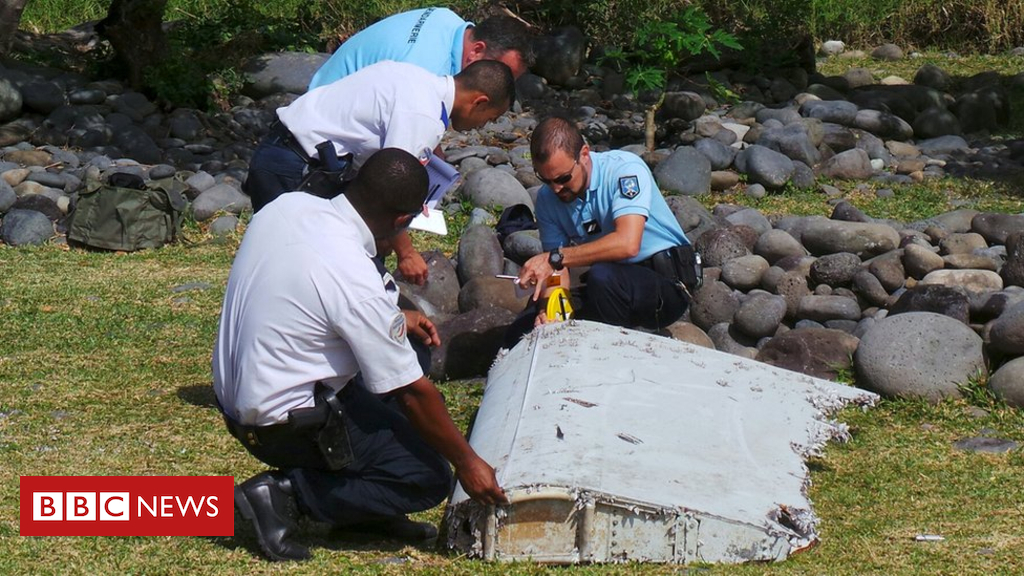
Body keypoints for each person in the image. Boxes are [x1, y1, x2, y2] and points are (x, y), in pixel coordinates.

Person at [215, 148, 508, 562]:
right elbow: (413, 394)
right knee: (424, 476)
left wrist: (397, 319)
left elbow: (310, 296)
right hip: (281, 424)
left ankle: (364, 510)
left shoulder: (289, 205)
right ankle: (284, 495)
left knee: (410, 356)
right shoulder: (351, 274)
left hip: (238, 397)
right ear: (401, 221)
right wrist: (468, 462)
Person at [243, 59, 515, 284]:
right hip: (296, 167)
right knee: (293, 268)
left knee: (290, 260)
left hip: (284, 151)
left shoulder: (416, 77)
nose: (481, 126)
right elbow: (391, 189)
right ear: (479, 101)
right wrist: (406, 253)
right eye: (489, 118)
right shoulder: (424, 115)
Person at [507, 115, 693, 343]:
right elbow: (557, 271)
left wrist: (556, 257)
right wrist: (550, 310)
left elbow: (627, 244)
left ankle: (614, 353)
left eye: (563, 178)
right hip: (610, 285)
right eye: (546, 180)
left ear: (584, 155)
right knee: (526, 324)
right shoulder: (548, 199)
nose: (556, 189)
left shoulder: (624, 170)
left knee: (602, 276)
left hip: (664, 285)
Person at [308, 8, 534, 90]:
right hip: (320, 132)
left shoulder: (447, 19)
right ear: (476, 50)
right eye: (502, 75)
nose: (501, 87)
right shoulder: (426, 71)